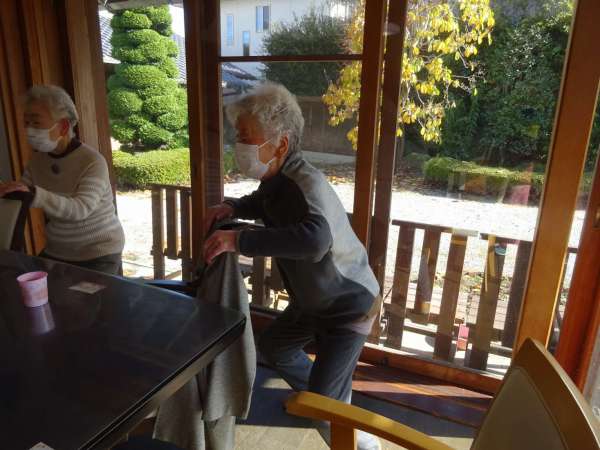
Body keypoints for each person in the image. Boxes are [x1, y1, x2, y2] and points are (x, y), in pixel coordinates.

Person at [203, 83, 382, 450]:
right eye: (239, 135)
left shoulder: (305, 182)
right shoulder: (277, 179)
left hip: (348, 306)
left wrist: (239, 240)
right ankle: (323, 397)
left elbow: (315, 241)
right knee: (275, 347)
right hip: (313, 302)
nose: (239, 144)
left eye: (247, 137)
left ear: (281, 144)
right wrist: (234, 207)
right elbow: (262, 202)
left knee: (323, 410)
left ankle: (357, 437)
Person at [0, 85, 124, 275]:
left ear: (64, 126)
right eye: (26, 123)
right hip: (58, 250)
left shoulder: (92, 161)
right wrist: (9, 191)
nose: (29, 130)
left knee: (91, 296)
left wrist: (34, 194)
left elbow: (80, 209)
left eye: (36, 122)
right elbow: (23, 192)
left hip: (99, 251)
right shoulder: (37, 161)